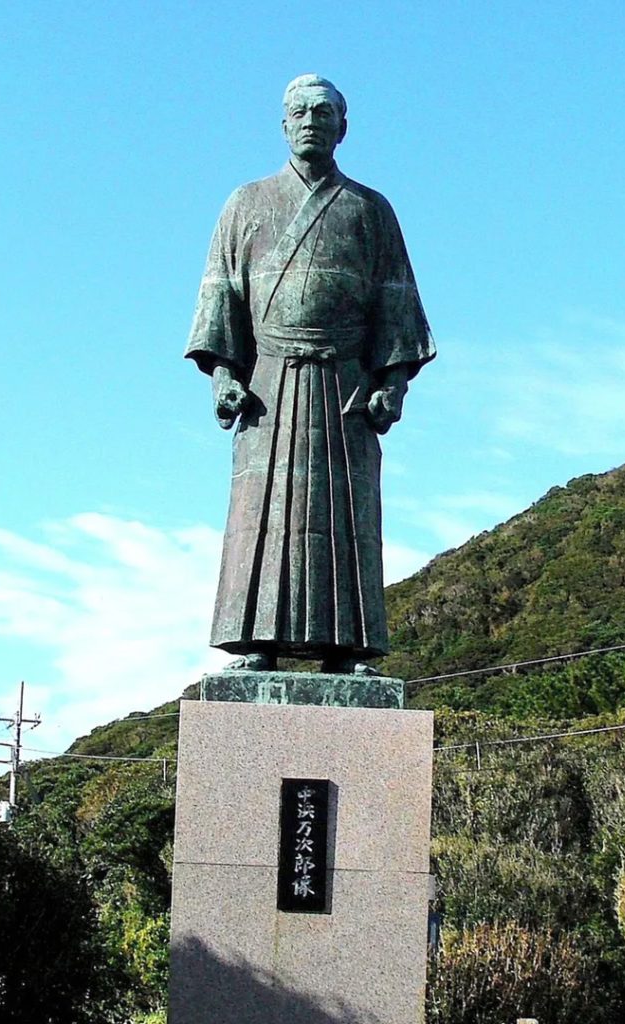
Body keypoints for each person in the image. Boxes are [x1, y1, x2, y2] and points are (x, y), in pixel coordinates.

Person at [186, 74, 435, 674]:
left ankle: (345, 650)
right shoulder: (246, 203)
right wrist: (224, 375)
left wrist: (392, 383)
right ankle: (256, 643)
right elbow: (221, 295)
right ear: (283, 124)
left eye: (324, 112)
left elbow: (396, 300)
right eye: (299, 112)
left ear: (343, 127)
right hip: (267, 386)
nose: (311, 121)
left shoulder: (369, 209)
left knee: (347, 515)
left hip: (345, 385)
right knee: (260, 513)